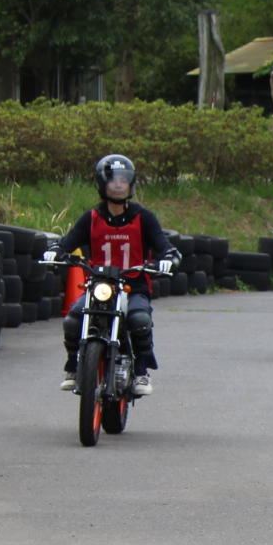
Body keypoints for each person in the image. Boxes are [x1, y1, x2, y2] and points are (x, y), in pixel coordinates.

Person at [45, 154, 179, 394]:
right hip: (99, 284)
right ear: (101, 184)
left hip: (133, 284)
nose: (118, 185)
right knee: (73, 320)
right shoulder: (92, 218)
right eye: (113, 180)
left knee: (139, 320)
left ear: (131, 184)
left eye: (123, 180)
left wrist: (169, 258)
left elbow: (163, 245)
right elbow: (67, 242)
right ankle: (74, 367)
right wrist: (55, 251)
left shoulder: (143, 217)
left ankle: (141, 371)